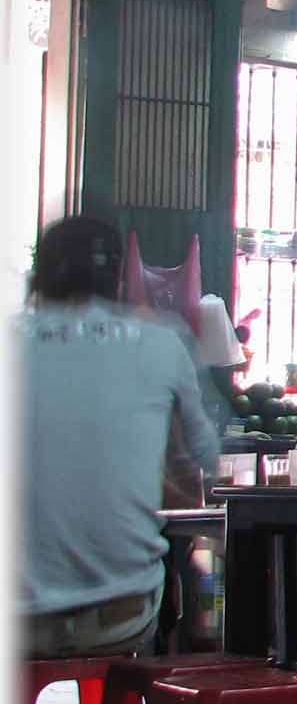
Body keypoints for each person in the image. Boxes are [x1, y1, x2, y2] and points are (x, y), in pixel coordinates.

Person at [19, 215, 220, 658]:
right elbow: (207, 457)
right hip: (117, 614)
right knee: (189, 569)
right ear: (118, 280)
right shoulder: (164, 342)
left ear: (39, 276)